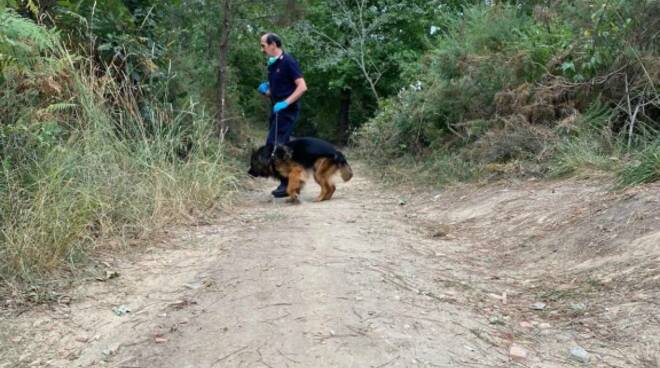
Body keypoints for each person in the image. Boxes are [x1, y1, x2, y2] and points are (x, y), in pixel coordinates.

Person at [257, 32, 307, 198]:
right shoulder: (272, 64)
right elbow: (276, 91)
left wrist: (286, 102)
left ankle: (287, 184)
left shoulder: (288, 61)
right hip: (277, 111)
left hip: (287, 111)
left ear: (273, 44)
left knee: (277, 146)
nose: (262, 49)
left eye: (263, 45)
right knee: (277, 145)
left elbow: (302, 87)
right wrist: (266, 91)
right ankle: (290, 182)